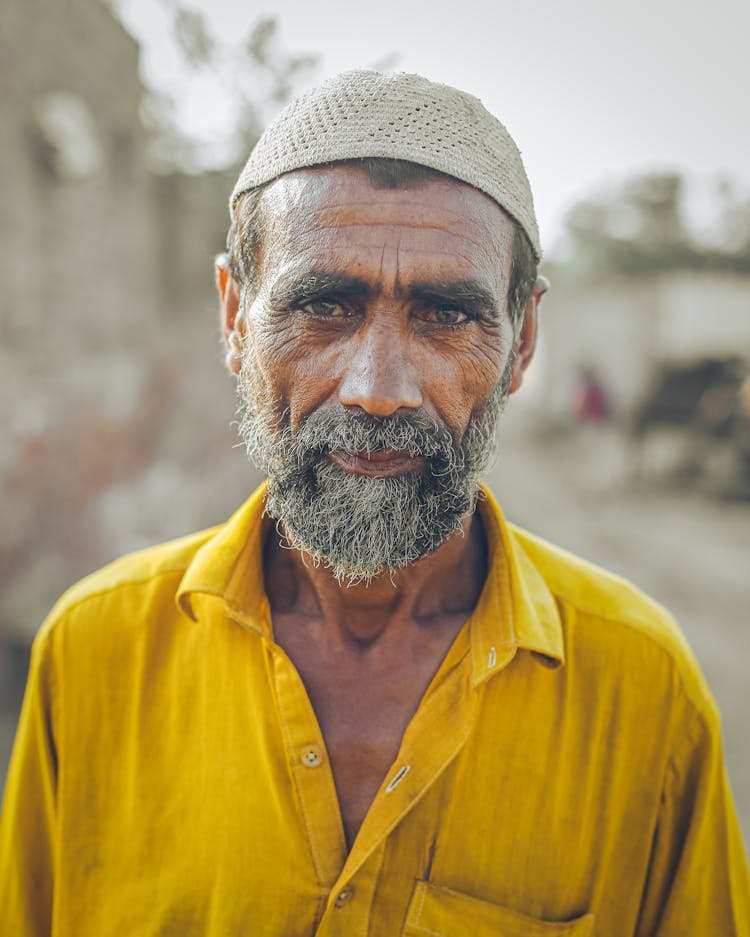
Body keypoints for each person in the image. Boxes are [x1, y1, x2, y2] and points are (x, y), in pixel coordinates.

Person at [1, 70, 748, 937]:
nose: (378, 389)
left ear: (524, 340)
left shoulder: (643, 691)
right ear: (236, 317)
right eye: (324, 305)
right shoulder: (94, 652)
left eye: (445, 316)